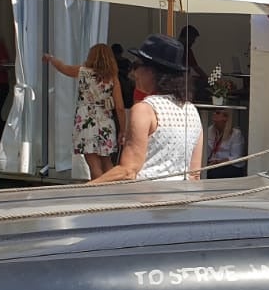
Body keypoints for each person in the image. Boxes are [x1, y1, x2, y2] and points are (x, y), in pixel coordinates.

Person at [88, 34, 203, 184]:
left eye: (136, 65)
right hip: (183, 195)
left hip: (146, 195)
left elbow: (128, 171)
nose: (133, 73)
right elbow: (194, 174)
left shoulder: (144, 110)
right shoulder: (192, 111)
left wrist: (86, 188)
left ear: (152, 71)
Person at [44, 43, 126, 180]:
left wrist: (51, 58)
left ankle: (98, 190)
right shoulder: (112, 78)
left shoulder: (82, 72)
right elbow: (120, 107)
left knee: (93, 164)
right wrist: (123, 130)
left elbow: (63, 68)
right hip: (106, 121)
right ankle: (112, 189)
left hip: (86, 121)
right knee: (107, 161)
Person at [204, 109, 246, 179]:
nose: (214, 114)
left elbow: (236, 157)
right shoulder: (210, 130)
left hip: (231, 165)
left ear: (225, 117)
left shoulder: (236, 134)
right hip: (213, 164)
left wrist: (217, 162)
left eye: (217, 112)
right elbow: (207, 151)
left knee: (213, 174)